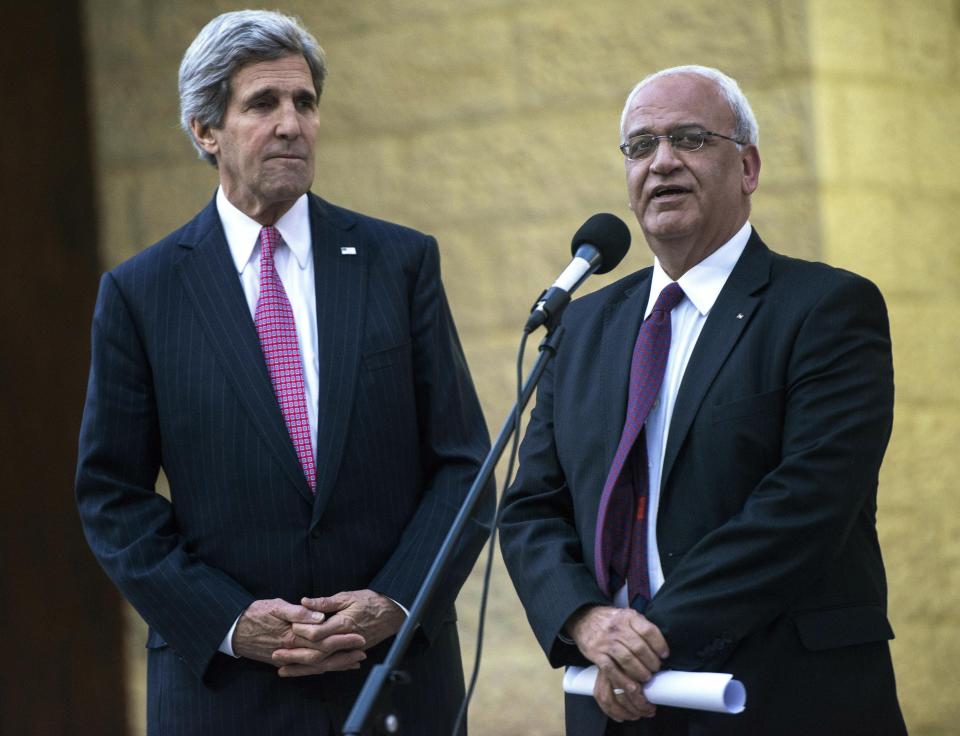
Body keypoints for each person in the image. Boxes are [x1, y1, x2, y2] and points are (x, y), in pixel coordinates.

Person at [75, 10, 492, 735]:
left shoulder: (400, 263)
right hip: (227, 692)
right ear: (207, 131)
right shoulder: (142, 295)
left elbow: (463, 466)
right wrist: (232, 620)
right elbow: (113, 499)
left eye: (305, 102)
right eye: (263, 104)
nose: (293, 123)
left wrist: (391, 603)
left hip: (395, 679)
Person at [498, 65, 906, 736]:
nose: (661, 163)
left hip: (779, 694)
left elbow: (804, 506)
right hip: (617, 704)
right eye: (640, 146)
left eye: (689, 138)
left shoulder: (826, 309)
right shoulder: (583, 325)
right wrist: (587, 620)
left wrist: (645, 641)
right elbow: (531, 508)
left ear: (747, 166)